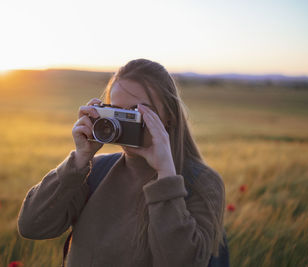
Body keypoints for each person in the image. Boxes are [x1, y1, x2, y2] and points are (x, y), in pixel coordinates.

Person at [17, 58, 226, 267]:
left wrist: (166, 174)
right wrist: (79, 160)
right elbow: (31, 226)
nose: (126, 122)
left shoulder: (201, 183)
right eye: (118, 111)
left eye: (137, 111)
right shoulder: (95, 171)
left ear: (169, 117)